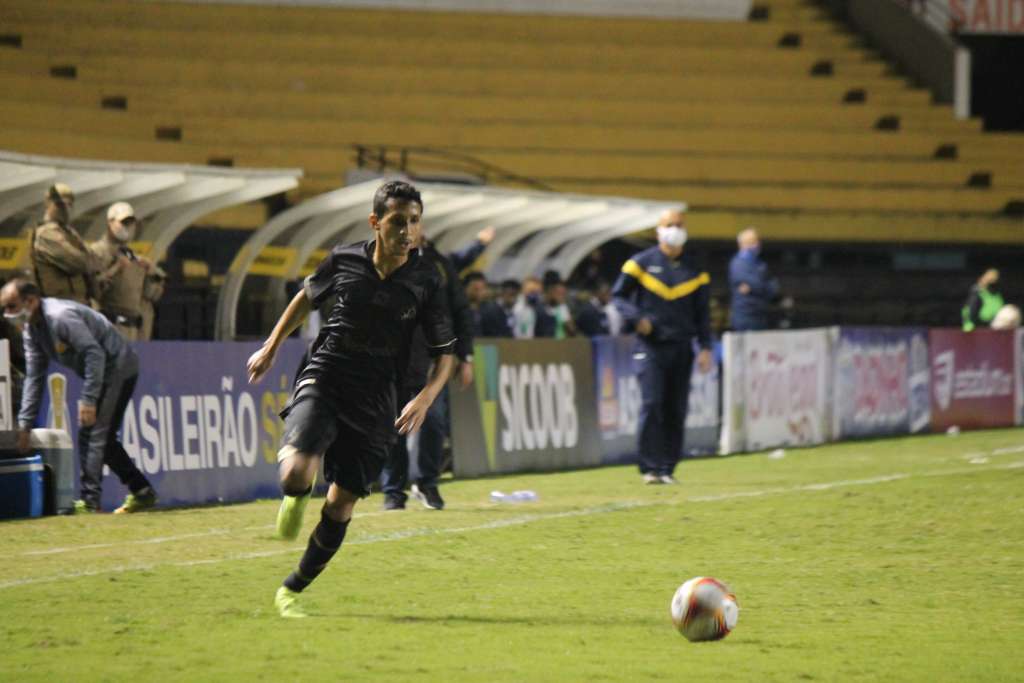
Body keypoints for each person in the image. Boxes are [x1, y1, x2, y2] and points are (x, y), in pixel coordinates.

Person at [245, 181, 455, 619]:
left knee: (341, 504)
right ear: (376, 223)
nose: (408, 231)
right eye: (399, 221)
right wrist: (271, 346)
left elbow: (445, 356)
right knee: (296, 474)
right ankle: (295, 494)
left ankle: (291, 589)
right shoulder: (344, 259)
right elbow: (306, 296)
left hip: (380, 397)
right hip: (328, 374)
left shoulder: (426, 279)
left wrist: (424, 399)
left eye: (415, 222)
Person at [2, 278, 157, 513]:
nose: (7, 314)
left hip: (118, 367)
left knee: (94, 434)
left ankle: (90, 501)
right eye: (4, 308)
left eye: (12, 306)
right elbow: (34, 377)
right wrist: (24, 425)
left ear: (31, 301)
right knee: (99, 438)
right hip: (102, 371)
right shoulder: (32, 331)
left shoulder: (60, 318)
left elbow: (94, 353)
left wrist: (89, 399)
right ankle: (142, 491)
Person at [612, 208, 713, 485]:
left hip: (682, 347)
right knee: (652, 403)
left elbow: (702, 313)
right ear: (658, 230)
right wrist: (637, 319)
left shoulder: (696, 270)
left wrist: (706, 347)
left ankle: (668, 467)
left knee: (676, 407)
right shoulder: (640, 263)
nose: (675, 229)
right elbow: (618, 297)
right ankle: (649, 467)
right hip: (651, 346)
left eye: (679, 224)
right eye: (670, 224)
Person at [380, 225, 476, 512]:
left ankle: (427, 482)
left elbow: (460, 309)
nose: (410, 230)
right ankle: (394, 491)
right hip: (392, 357)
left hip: (434, 358)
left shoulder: (439, 264)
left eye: (415, 222)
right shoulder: (381, 260)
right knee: (393, 424)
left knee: (433, 421)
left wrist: (466, 356)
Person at [88, 202, 154, 341]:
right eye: (123, 222)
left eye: (131, 222)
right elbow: (93, 290)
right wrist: (116, 268)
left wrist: (150, 273)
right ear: (110, 222)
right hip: (109, 326)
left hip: (134, 330)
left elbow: (149, 295)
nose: (128, 227)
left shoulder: (135, 256)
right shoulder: (96, 251)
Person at [30, 184, 96, 305]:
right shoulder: (47, 233)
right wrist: (88, 258)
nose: (65, 209)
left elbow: (93, 262)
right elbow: (81, 263)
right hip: (60, 305)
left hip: (74, 304)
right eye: (59, 205)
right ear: (48, 204)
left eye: (69, 205)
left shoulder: (68, 231)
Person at [728, 227, 779, 331]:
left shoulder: (760, 264)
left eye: (757, 241)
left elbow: (773, 287)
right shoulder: (738, 264)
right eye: (752, 242)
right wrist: (762, 285)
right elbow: (758, 284)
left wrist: (755, 287)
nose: (756, 245)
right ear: (742, 244)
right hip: (745, 317)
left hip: (761, 315)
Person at [533, 270, 576, 338]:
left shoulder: (562, 308)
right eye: (559, 294)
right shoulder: (536, 307)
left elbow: (572, 331)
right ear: (550, 290)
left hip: (559, 345)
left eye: (563, 294)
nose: (562, 297)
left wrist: (564, 311)